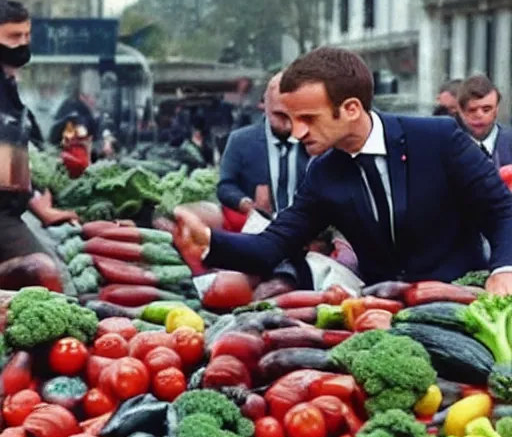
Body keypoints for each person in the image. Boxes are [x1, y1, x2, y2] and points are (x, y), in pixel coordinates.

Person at [172, 46, 512, 296]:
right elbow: (272, 245)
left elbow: (501, 211)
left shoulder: (437, 138)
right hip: (384, 313)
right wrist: (209, 242)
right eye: (291, 119)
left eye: (308, 119)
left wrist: (503, 269)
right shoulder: (323, 173)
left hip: (462, 302)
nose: (296, 132)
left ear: (350, 109)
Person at [0, 0, 76, 291]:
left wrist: (37, 206)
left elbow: (10, 153)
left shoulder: (9, 87)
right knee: (43, 278)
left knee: (40, 280)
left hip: (8, 212)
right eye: (14, 36)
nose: (23, 43)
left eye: (27, 35)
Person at [217, 72, 310, 219]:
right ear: (264, 106)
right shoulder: (240, 140)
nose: (288, 121)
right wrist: (247, 205)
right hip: (260, 232)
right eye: (280, 115)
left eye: (294, 113)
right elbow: (225, 186)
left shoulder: (314, 140)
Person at [457, 74, 512, 168]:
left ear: (496, 109)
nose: (479, 115)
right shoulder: (449, 147)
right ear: (461, 112)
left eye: (486, 109)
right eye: (472, 110)